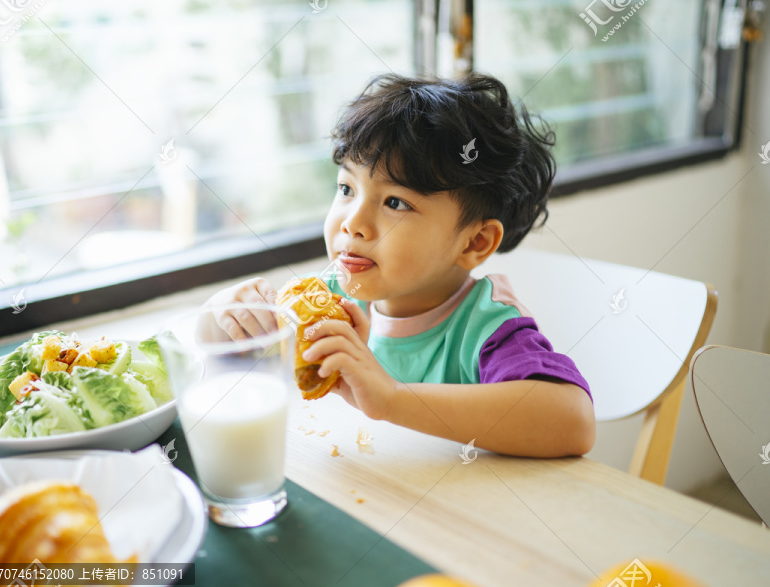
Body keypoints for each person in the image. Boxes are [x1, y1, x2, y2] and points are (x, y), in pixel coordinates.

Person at [205, 73, 595, 458]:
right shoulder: (334, 298)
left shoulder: (488, 329)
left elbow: (573, 422)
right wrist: (223, 314)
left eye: (395, 203)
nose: (352, 223)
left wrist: (391, 399)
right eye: (347, 189)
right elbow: (219, 358)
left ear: (474, 242)